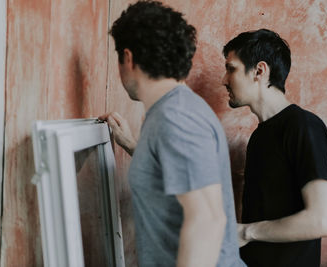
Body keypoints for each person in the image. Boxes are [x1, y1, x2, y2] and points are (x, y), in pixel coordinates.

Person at [98, 1, 246, 267]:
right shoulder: (173, 111)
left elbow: (207, 219)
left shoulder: (175, 118)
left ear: (128, 58)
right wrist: (133, 145)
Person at [221, 29, 327, 267]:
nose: (224, 79)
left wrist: (245, 232)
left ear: (259, 71)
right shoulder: (258, 137)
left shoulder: (303, 126)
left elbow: (322, 220)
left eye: (231, 68)